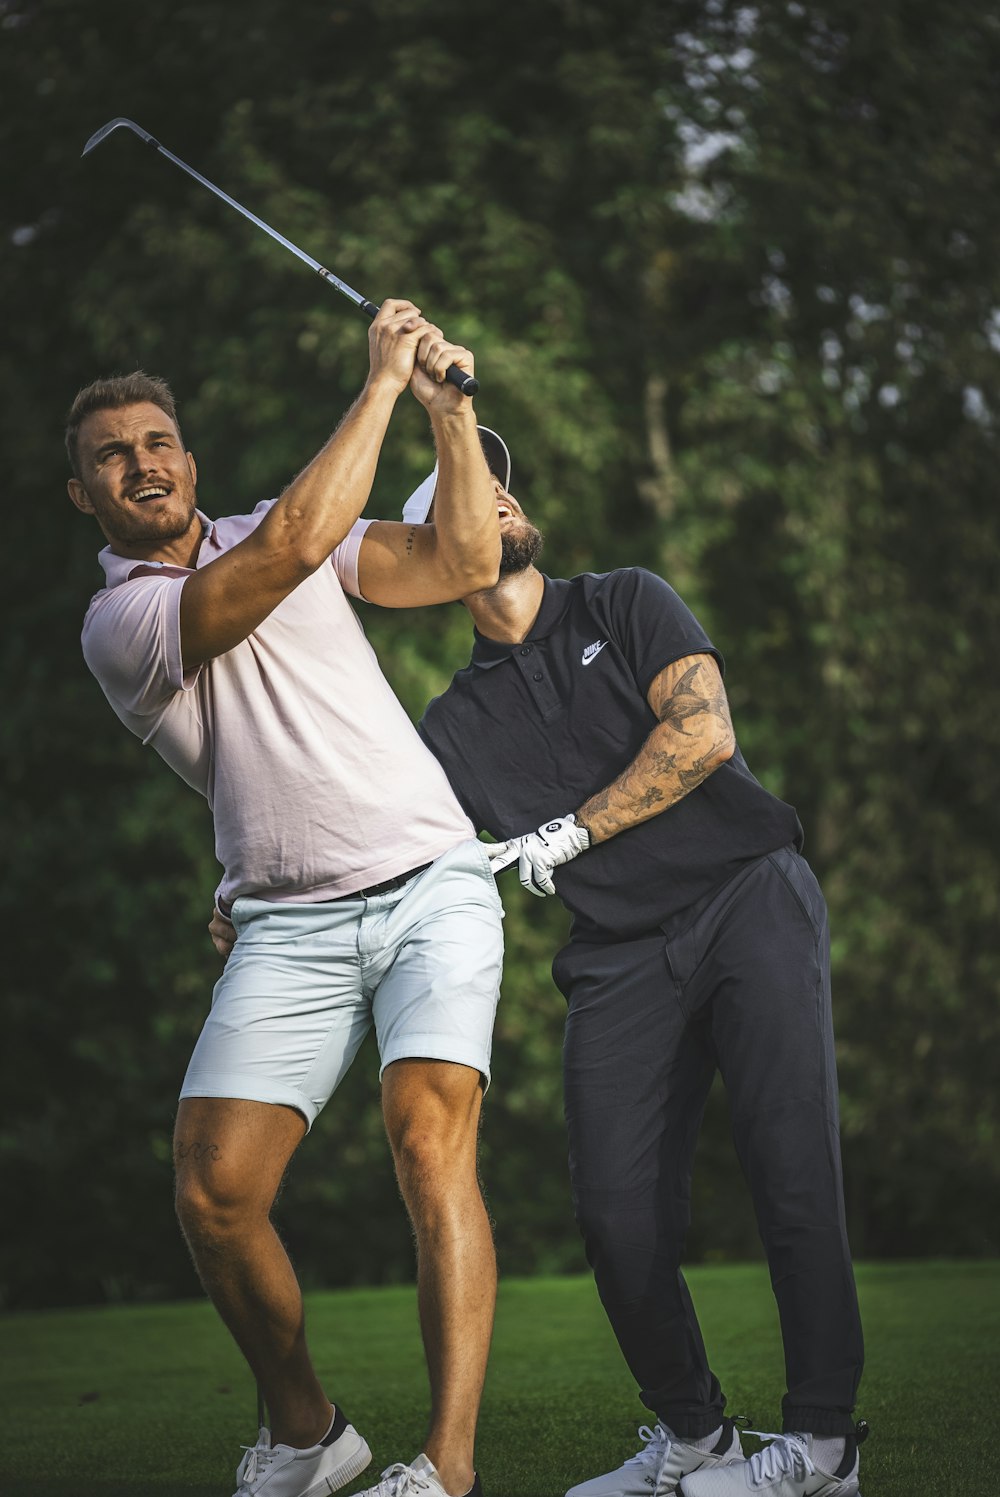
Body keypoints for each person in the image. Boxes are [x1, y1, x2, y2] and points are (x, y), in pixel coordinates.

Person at [66, 301, 505, 1497]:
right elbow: (280, 560)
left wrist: (446, 414)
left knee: (428, 1139)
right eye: (113, 456)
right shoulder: (123, 621)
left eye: (158, 442)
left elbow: (461, 564)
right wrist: (376, 385)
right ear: (85, 497)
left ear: (189, 459)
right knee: (214, 1192)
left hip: (429, 883)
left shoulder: (280, 522)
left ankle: (448, 1471)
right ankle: (309, 1434)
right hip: (284, 922)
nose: (142, 464)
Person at [411, 434, 868, 1497]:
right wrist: (249, 880)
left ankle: (823, 1448)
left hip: (745, 896)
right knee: (613, 1212)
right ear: (440, 548)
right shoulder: (448, 723)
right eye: (469, 493)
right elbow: (381, 834)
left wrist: (571, 832)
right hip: (618, 958)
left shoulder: (622, 599)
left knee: (790, 1170)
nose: (501, 496)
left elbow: (702, 735)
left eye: (499, 479)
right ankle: (695, 1436)